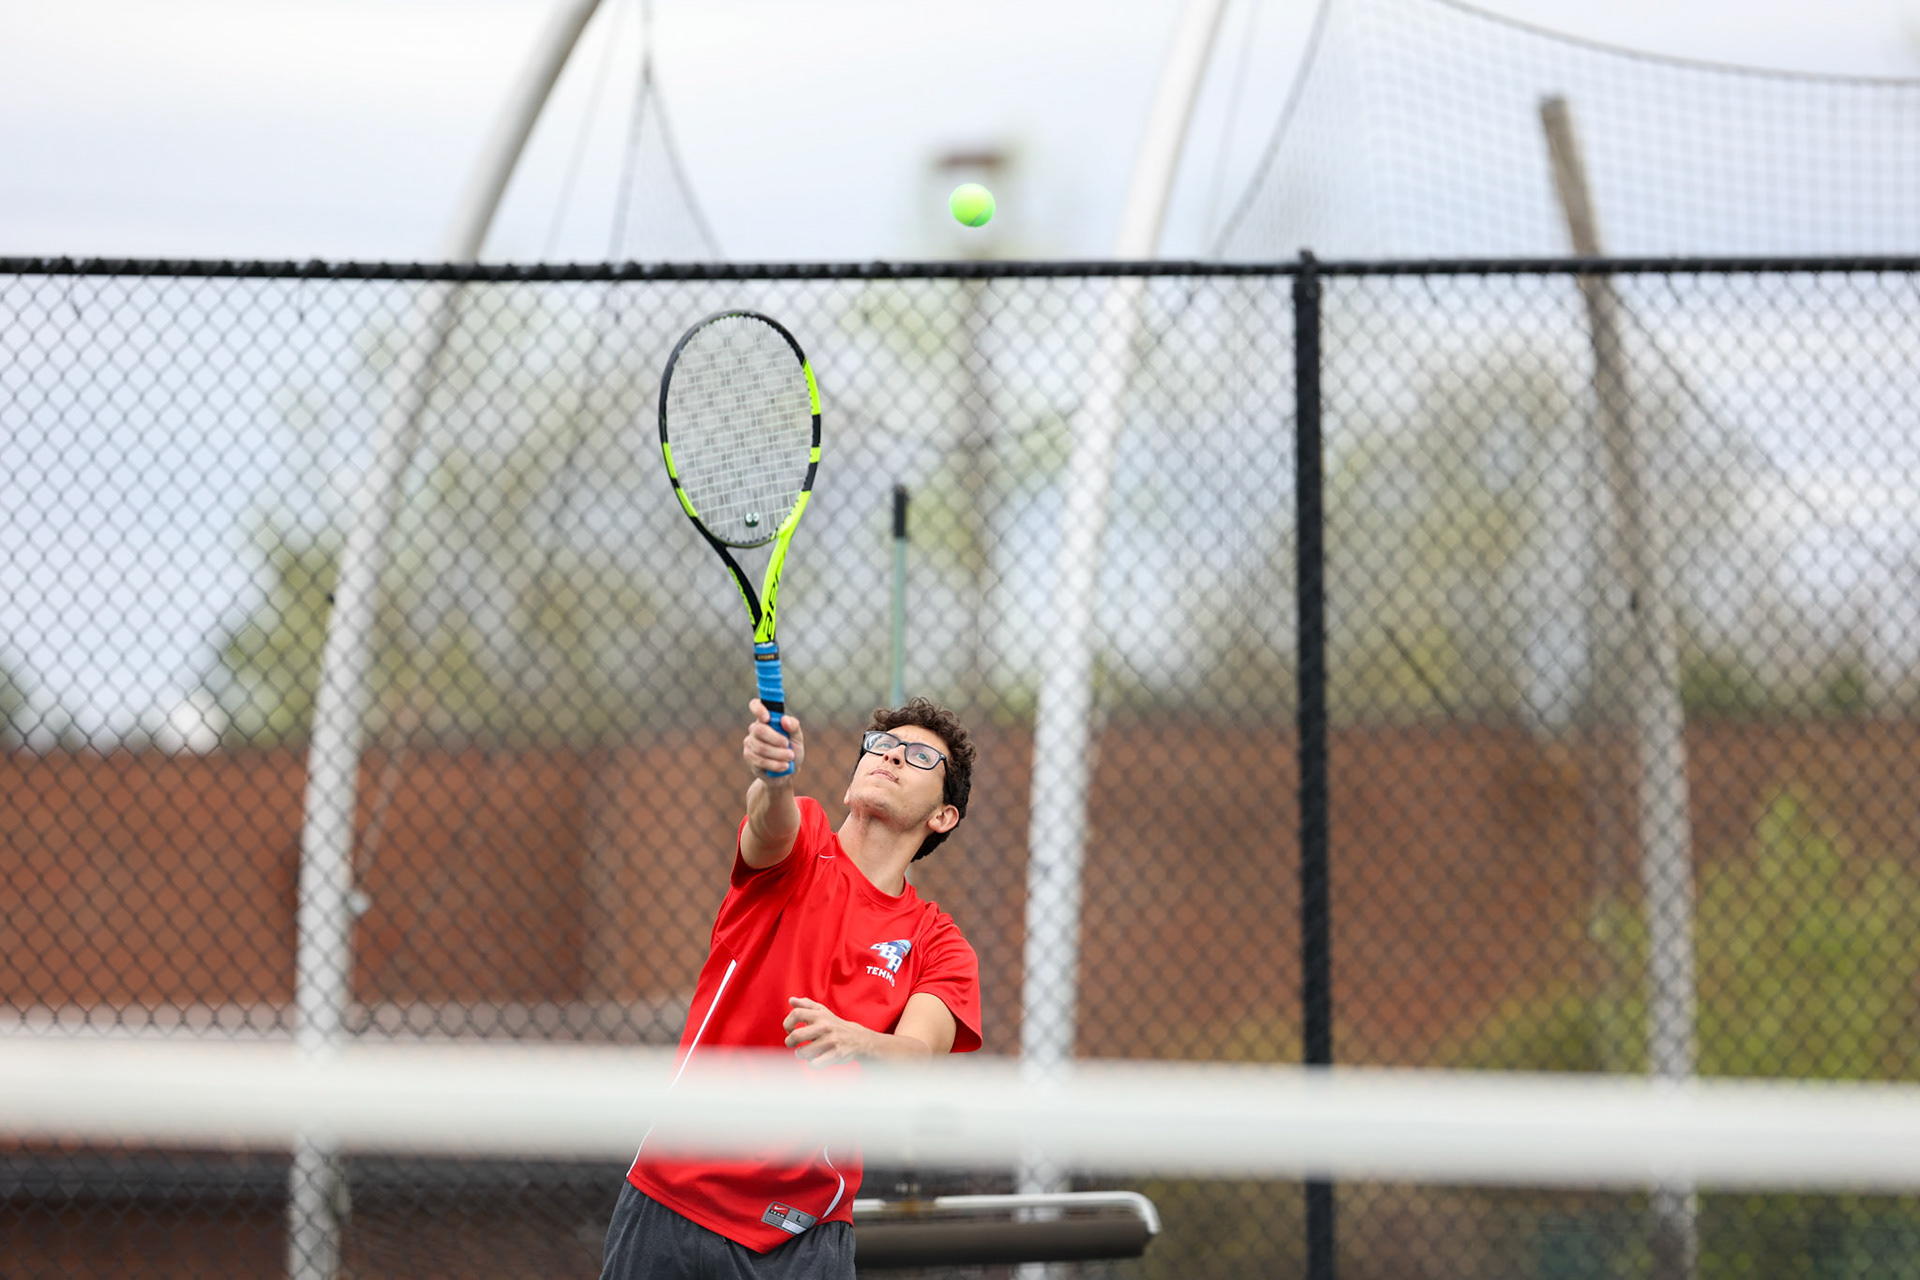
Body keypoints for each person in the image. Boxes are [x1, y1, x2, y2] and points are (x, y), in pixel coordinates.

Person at [600, 695, 983, 1280]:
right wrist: (774, 781)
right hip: (675, 1200)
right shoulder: (801, 838)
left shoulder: (939, 943)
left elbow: (917, 1055)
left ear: (943, 816)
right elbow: (768, 824)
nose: (891, 758)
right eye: (879, 746)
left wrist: (857, 1040)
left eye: (918, 758)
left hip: (805, 1236)